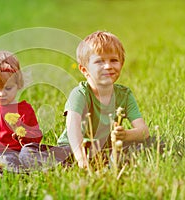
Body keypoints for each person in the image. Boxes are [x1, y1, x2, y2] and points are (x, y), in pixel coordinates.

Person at [57, 31, 150, 169]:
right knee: (39, 155)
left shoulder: (124, 95)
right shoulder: (80, 94)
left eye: (114, 60)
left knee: (152, 144)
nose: (108, 66)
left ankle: (109, 161)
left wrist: (125, 135)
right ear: (84, 69)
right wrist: (81, 159)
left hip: (107, 147)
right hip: (74, 148)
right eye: (99, 61)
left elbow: (144, 131)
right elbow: (73, 128)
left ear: (121, 64)